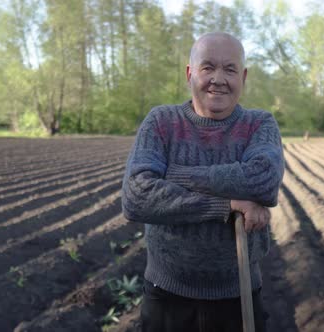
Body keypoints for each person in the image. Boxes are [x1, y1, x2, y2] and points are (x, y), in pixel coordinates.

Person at [121, 32, 284, 332]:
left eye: (230, 69)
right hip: (166, 298)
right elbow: (136, 197)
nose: (218, 79)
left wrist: (176, 174)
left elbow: (263, 180)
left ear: (243, 77)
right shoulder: (161, 122)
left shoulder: (259, 124)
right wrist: (228, 204)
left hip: (239, 295)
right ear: (189, 73)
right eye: (207, 67)